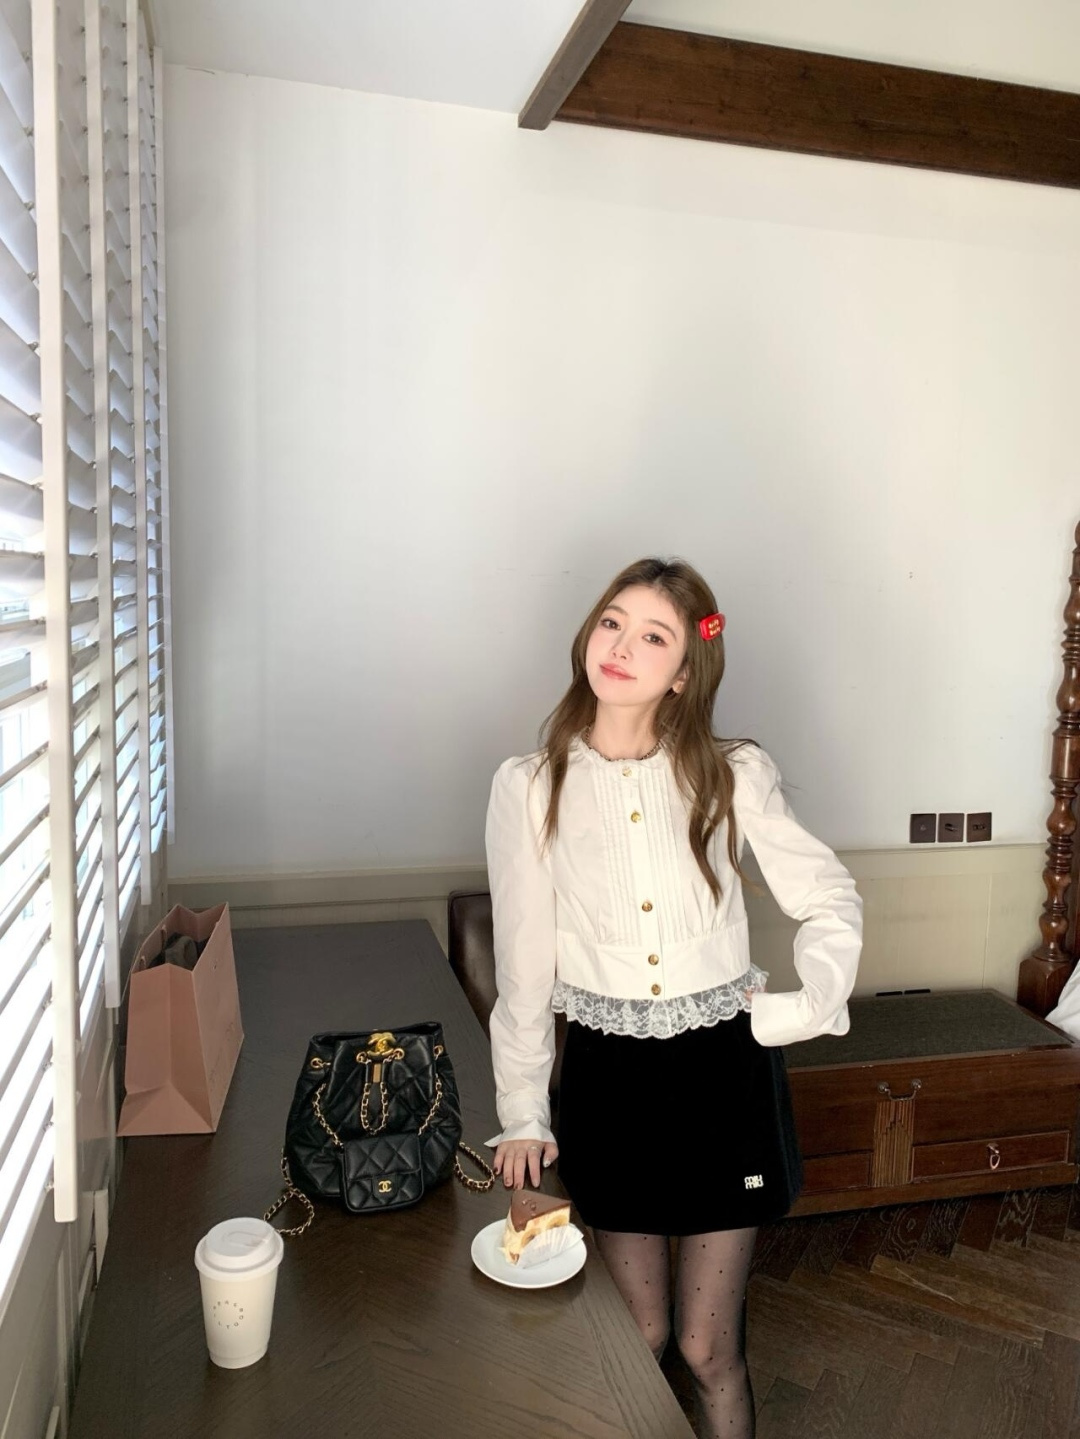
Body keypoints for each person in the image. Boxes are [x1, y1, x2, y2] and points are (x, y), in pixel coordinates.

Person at [484, 556, 863, 1439]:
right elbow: (523, 967)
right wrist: (522, 1111)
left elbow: (829, 896)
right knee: (638, 1334)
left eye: (652, 635)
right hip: (609, 1080)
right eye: (611, 622)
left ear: (685, 672)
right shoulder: (529, 784)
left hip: (725, 1076)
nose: (620, 646)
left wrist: (798, 1010)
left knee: (706, 1347)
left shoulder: (735, 772)